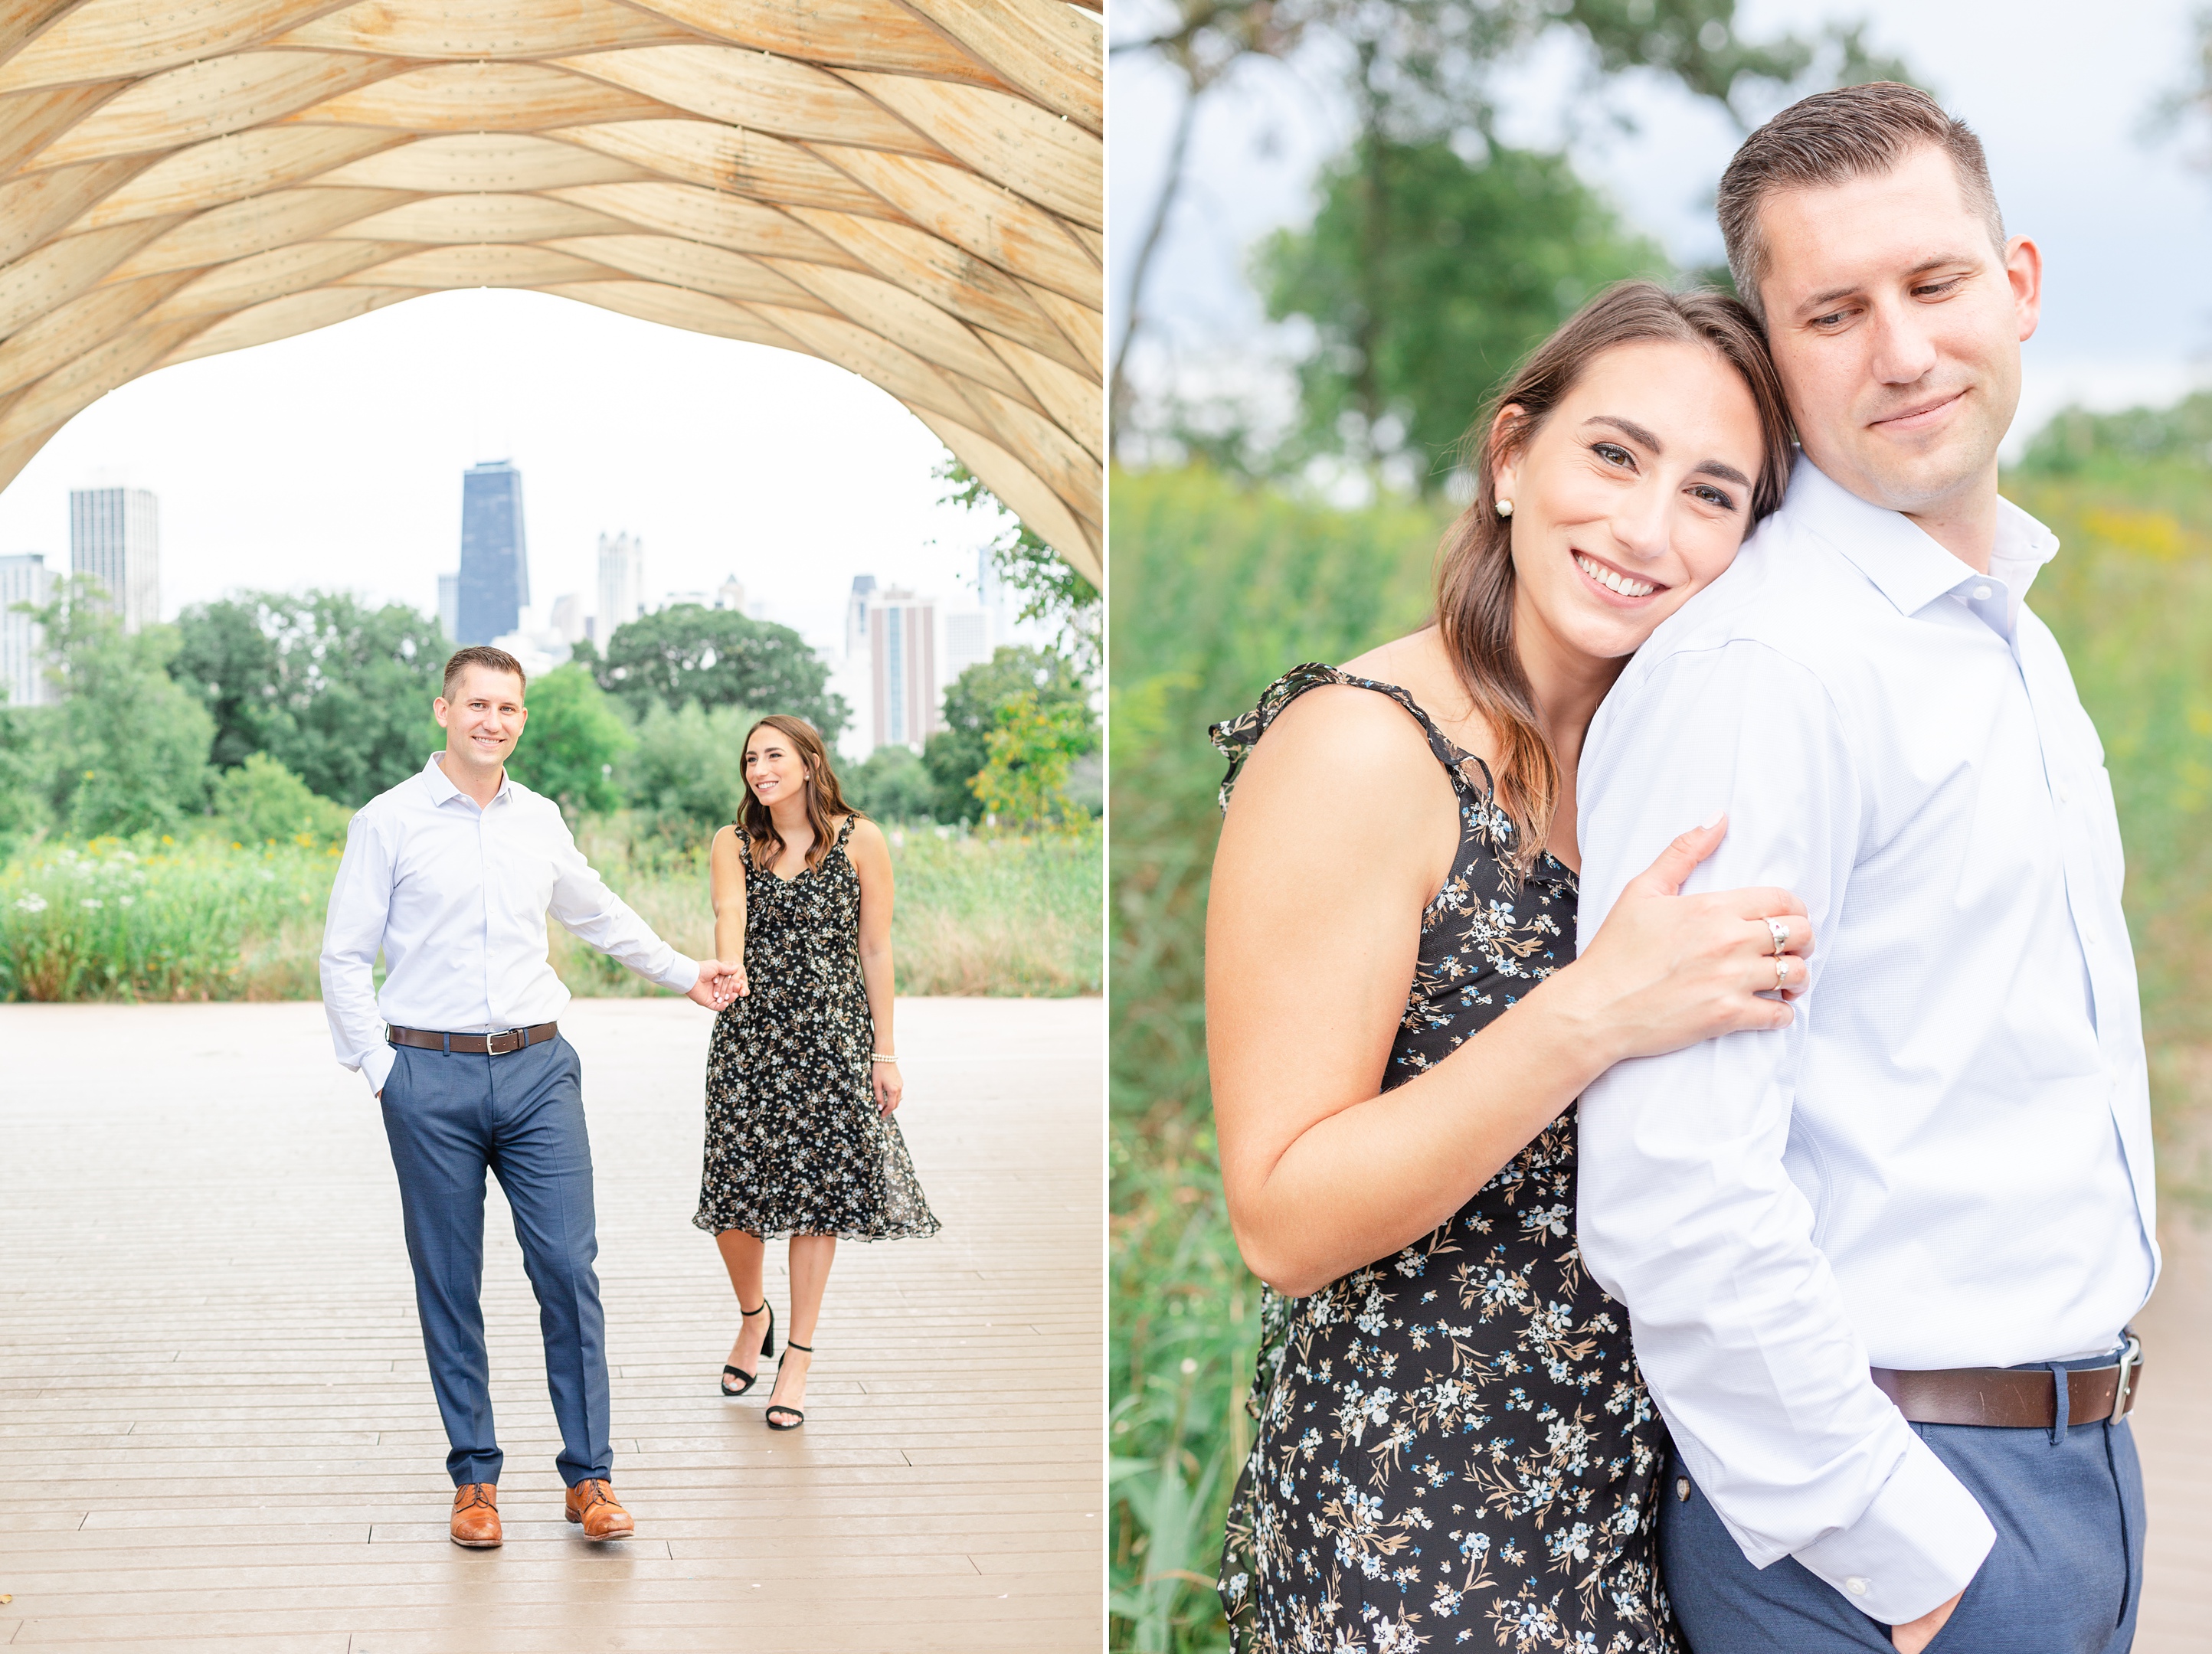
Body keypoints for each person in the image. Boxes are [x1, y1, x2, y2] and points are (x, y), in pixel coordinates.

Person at [1572, 86, 2155, 1654]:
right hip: (1882, 1517)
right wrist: (1906, 1555)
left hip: (2062, 1468)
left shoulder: (2004, 638)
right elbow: (1674, 1184)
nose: (1899, 352)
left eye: (1934, 285)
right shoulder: (1770, 667)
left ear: (2016, 283)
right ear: (1773, 355)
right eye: (1832, 311)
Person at [1206, 281, 1811, 1653]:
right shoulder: (1362, 749)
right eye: (1613, 453)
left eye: (1711, 495)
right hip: (1421, 1539)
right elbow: (1280, 1219)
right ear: (1509, 456)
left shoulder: (1672, 775)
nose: (1646, 528)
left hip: (1649, 1514)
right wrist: (1590, 1013)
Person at [320, 645, 740, 1551]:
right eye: (477, 705)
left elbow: (595, 911)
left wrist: (681, 973)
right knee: (449, 1282)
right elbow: (344, 958)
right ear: (443, 711)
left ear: (520, 717)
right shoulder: (386, 821)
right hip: (424, 1075)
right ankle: (474, 1480)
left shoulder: (538, 818)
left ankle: (589, 1477)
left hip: (538, 1071)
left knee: (566, 1269)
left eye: (508, 708)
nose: (493, 721)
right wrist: (381, 1070)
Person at [696, 714, 939, 1431]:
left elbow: (876, 949)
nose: (760, 769)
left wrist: (885, 1052)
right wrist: (731, 970)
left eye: (774, 755)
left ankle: (797, 1355)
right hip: (751, 1039)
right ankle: (753, 1315)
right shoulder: (732, 843)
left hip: (834, 1040)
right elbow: (728, 914)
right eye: (750, 760)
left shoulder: (860, 838)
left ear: (808, 761)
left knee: (816, 1199)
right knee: (733, 1199)